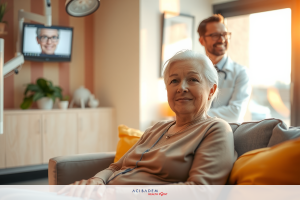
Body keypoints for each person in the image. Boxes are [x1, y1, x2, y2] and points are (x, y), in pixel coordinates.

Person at [68, 50, 237, 186]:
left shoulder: (215, 129)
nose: (181, 88)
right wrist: (97, 180)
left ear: (212, 90)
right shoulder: (157, 128)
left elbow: (200, 191)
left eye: (193, 79)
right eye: (174, 81)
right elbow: (116, 167)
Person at [198, 14, 251, 123]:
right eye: (215, 35)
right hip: (199, 133)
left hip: (229, 135)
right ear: (202, 41)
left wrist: (197, 115)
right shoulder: (195, 71)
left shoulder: (241, 73)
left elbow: (235, 113)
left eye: (225, 34)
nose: (222, 39)